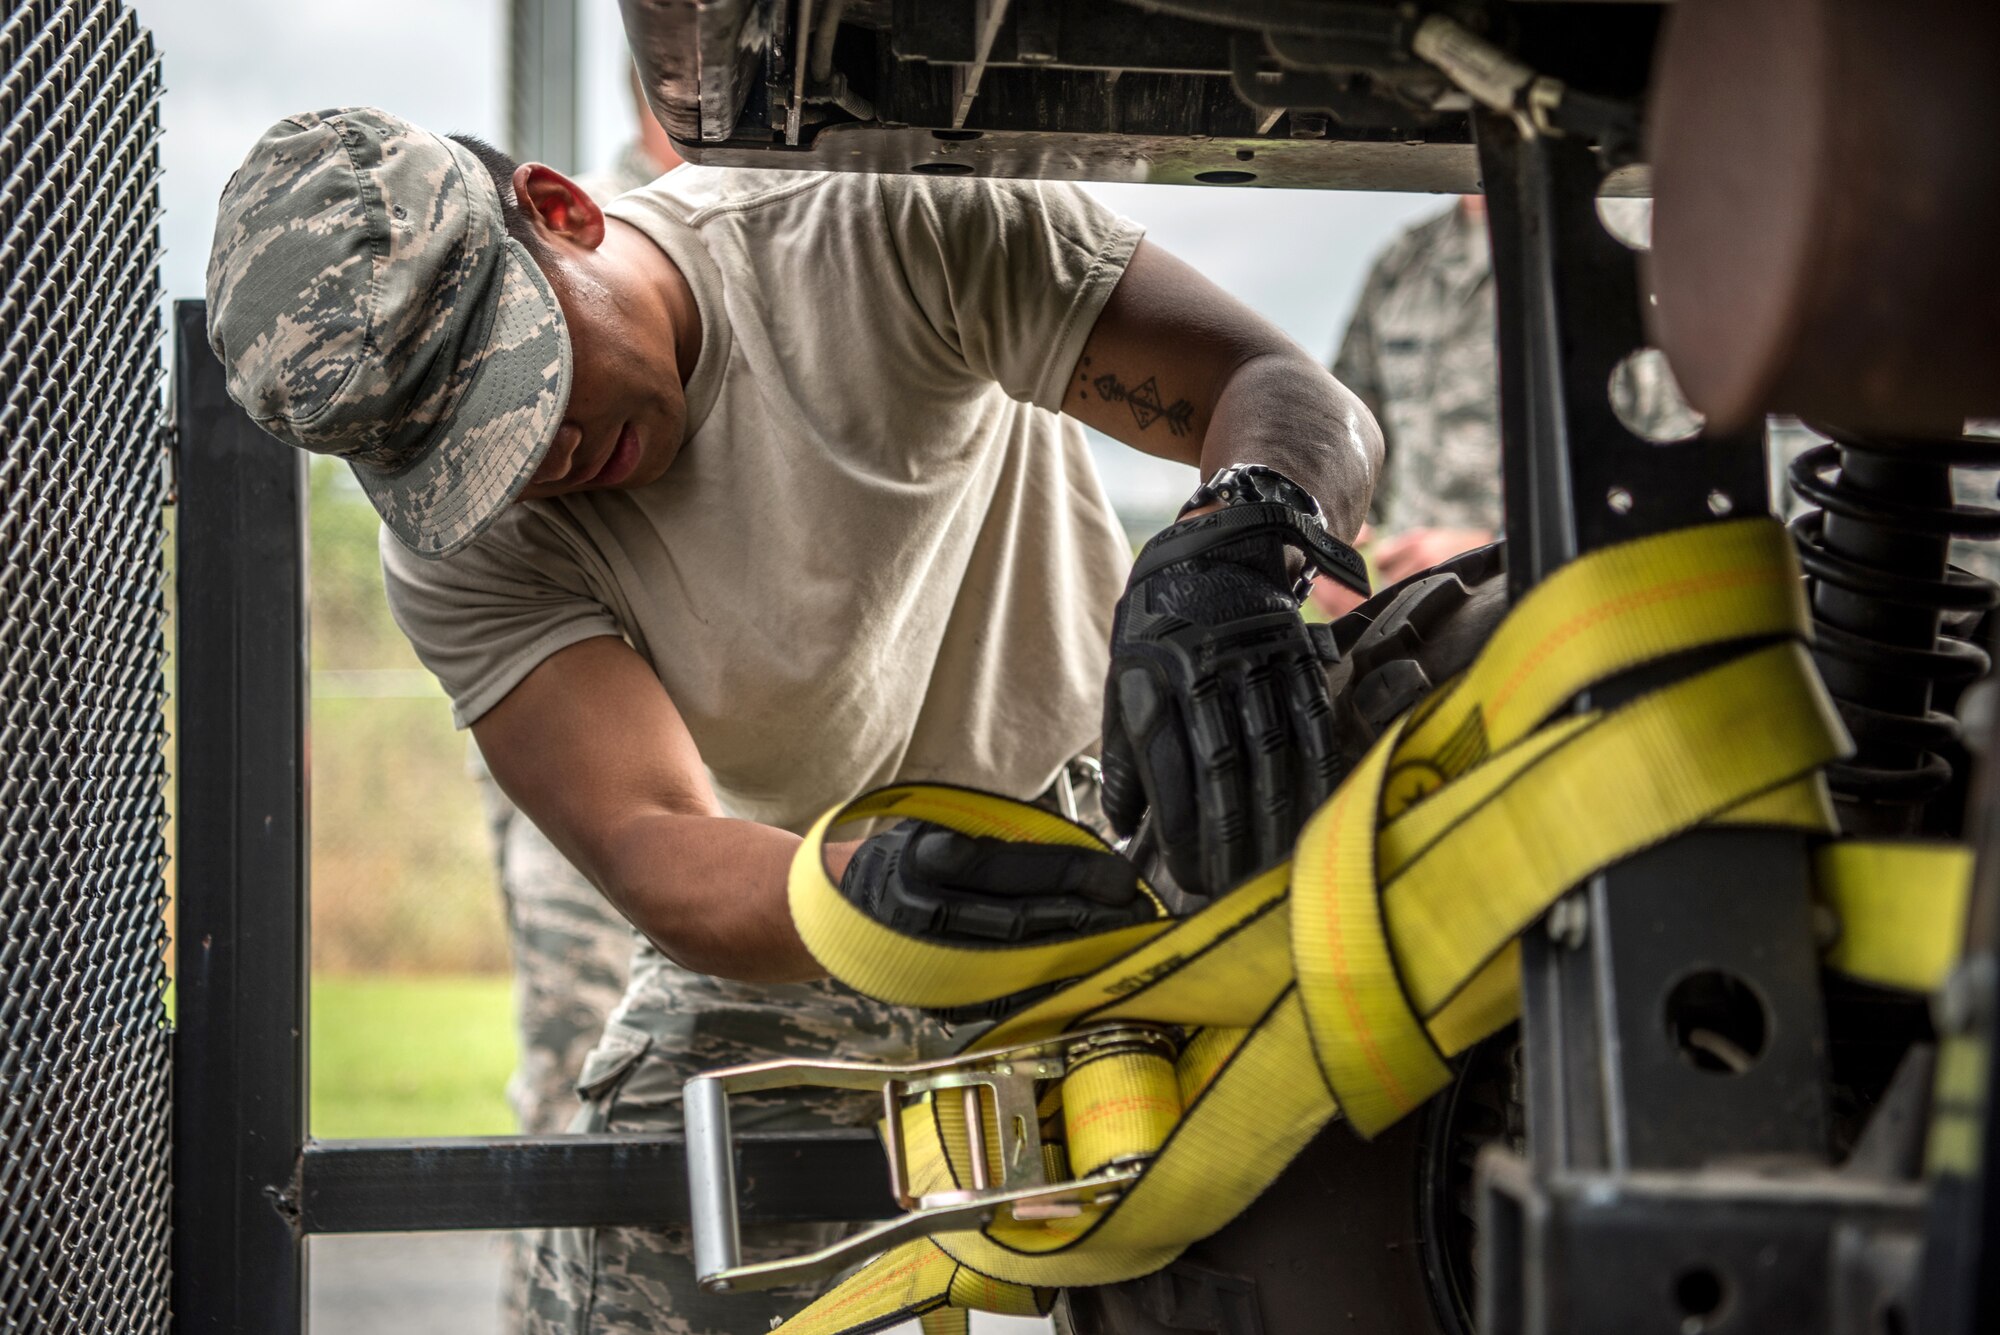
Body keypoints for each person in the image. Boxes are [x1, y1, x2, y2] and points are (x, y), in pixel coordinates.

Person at [205, 107, 1378, 1334]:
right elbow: (652, 839)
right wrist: (871, 897)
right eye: (462, 462)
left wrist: (1235, 556)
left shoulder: (868, 219)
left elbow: (1280, 391)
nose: (532, 464)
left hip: (1129, 856)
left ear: (563, 212)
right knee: (629, 1280)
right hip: (803, 905)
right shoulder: (465, 548)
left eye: (519, 390)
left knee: (1337, 1235)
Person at [462, 65, 689, 1335]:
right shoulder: (548, 236)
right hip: (602, 764)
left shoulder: (816, 207)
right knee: (586, 1099)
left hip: (789, 762)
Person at [1320, 195, 1700, 615]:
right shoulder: (1406, 262)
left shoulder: (1630, 240)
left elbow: (1680, 461)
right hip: (1425, 618)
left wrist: (1503, 546)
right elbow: (1350, 423)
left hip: (1588, 604)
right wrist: (1330, 537)